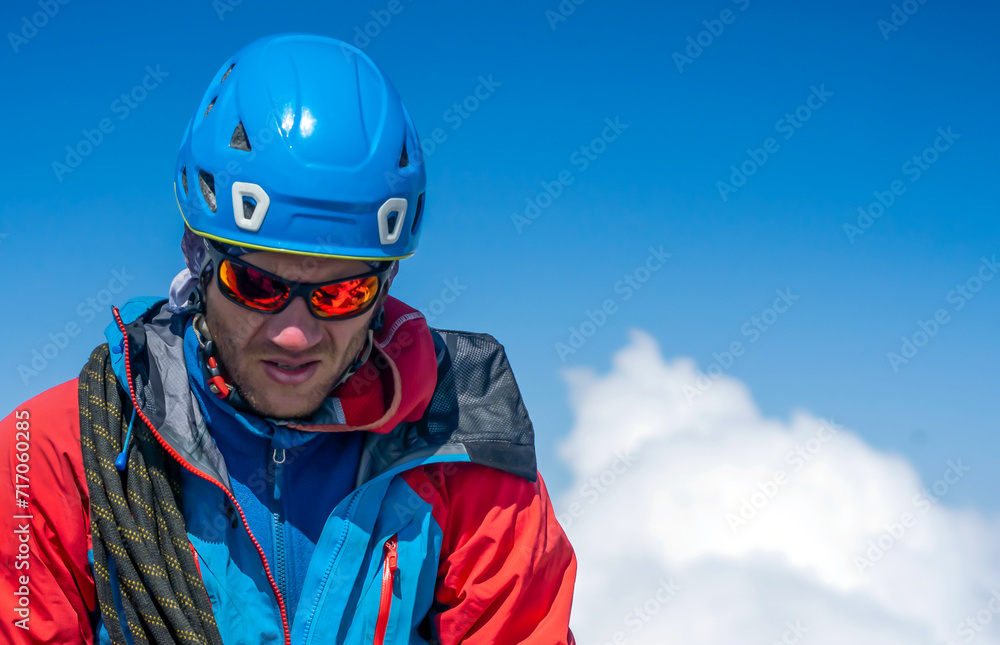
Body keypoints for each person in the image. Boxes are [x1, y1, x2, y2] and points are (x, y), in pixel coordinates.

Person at [0, 33, 577, 644]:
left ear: (386, 286)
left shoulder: (467, 451)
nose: (296, 334)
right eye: (255, 283)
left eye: (342, 294)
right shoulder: (54, 456)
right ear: (196, 258)